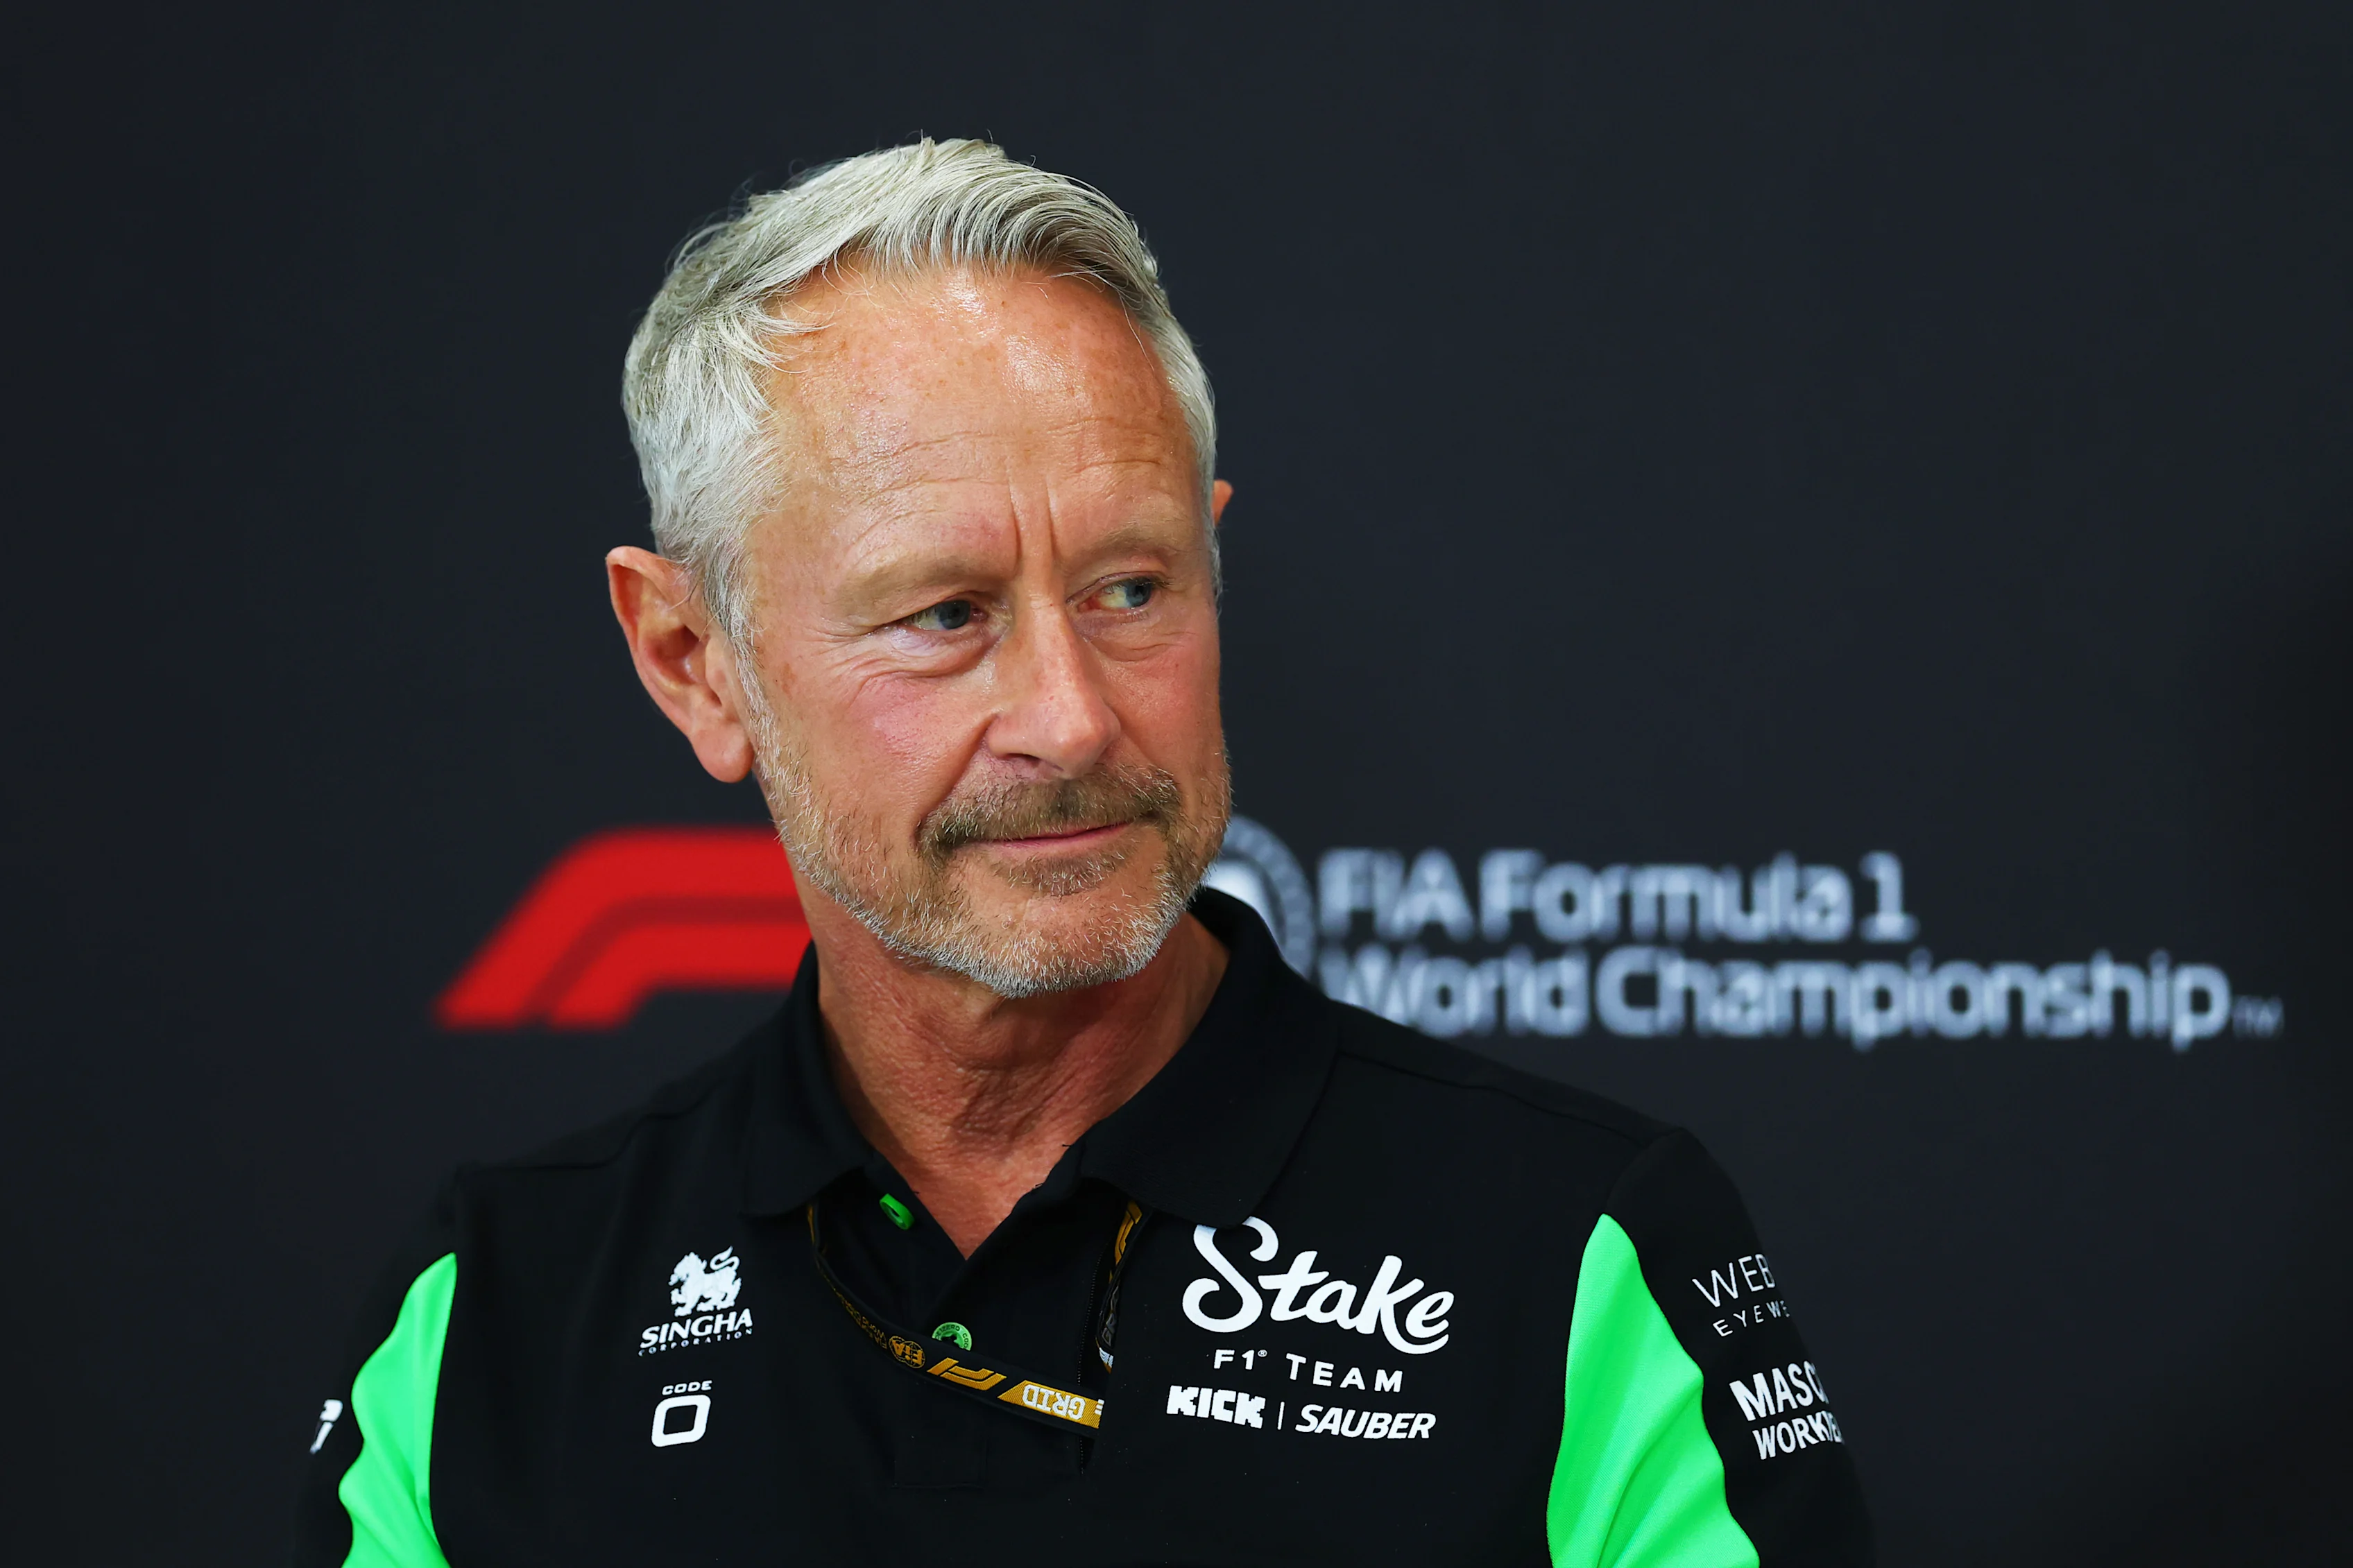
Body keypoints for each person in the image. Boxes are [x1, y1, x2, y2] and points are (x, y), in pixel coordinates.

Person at [294, 139, 1872, 1567]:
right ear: (696, 659)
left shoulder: (1578, 1252)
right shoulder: (493, 1318)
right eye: (945, 615)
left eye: (1131, 587)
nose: (1069, 714)